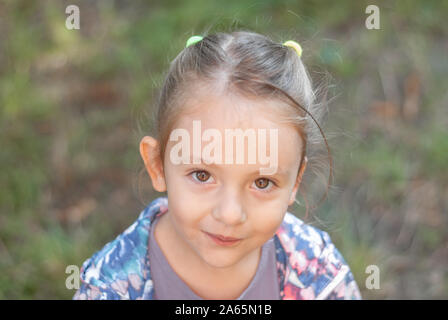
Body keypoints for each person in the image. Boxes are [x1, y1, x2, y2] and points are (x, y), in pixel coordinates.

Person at [73, 30, 362, 300]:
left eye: (262, 182)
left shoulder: (321, 276)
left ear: (295, 182)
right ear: (157, 165)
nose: (230, 214)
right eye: (202, 175)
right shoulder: (108, 289)